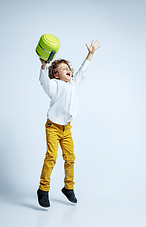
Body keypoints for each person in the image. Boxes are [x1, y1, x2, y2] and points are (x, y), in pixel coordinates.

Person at [37, 40, 100, 207]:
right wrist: (44, 66)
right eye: (63, 69)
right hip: (53, 127)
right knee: (51, 157)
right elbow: (44, 81)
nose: (68, 71)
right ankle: (43, 190)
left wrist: (90, 54)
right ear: (56, 74)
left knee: (70, 158)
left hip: (66, 129)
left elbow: (82, 70)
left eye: (68, 68)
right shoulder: (54, 85)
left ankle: (68, 188)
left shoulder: (73, 84)